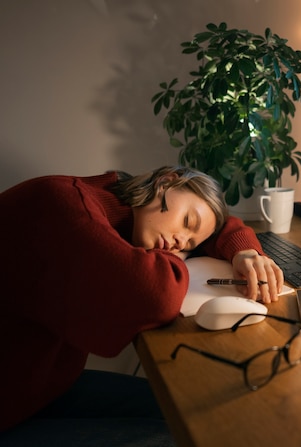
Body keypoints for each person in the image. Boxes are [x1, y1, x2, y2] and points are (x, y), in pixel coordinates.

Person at [0, 166, 284, 444]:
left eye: (189, 245)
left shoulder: (119, 208)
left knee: (187, 411)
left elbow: (218, 223)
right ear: (165, 183)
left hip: (40, 387)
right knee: (185, 434)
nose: (179, 243)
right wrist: (177, 260)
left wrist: (244, 251)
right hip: (14, 409)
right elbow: (156, 295)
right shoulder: (63, 204)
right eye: (187, 222)